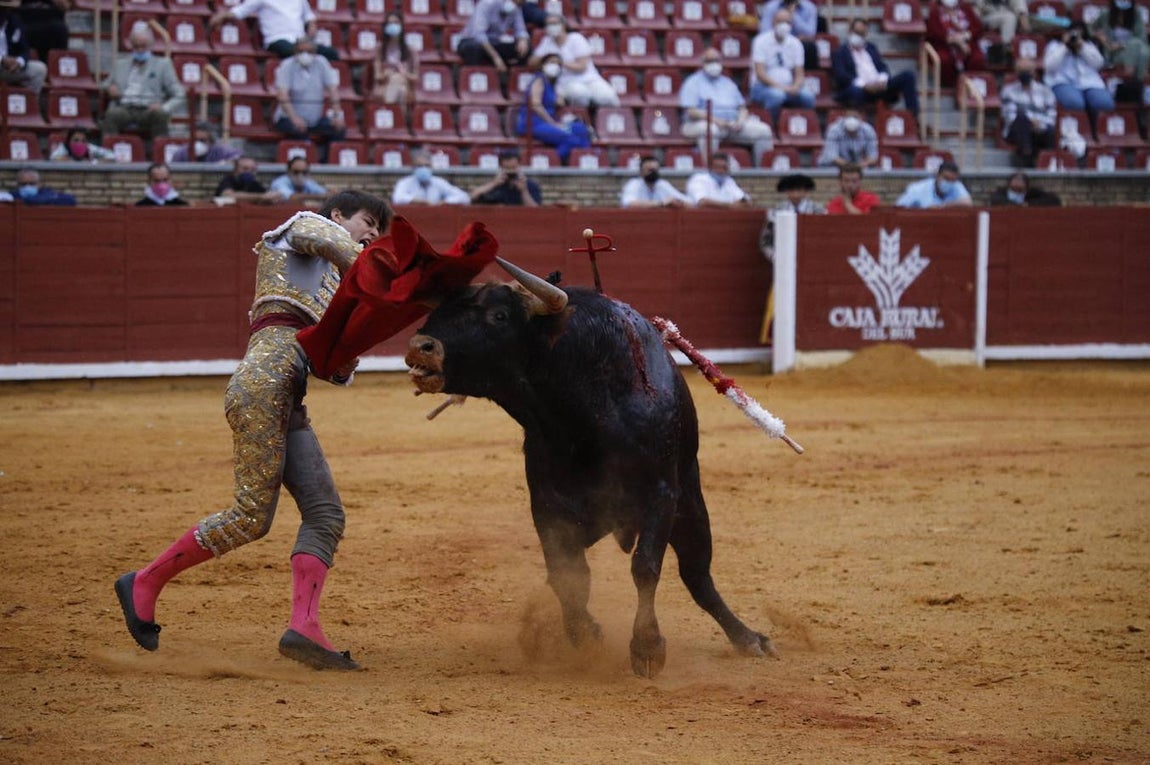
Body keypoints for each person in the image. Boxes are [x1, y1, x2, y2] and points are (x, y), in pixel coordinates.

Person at [114, 190, 390, 671]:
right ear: (339, 215)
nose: (372, 235)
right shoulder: (301, 229)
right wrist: (382, 276)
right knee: (250, 517)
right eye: (368, 223)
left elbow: (336, 370)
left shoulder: (335, 285)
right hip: (261, 387)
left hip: (289, 398)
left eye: (379, 233)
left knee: (325, 515)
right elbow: (328, 241)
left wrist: (354, 336)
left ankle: (303, 628)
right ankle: (144, 581)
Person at [679, 48, 774, 165]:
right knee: (710, 131)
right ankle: (711, 170)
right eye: (710, 61)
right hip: (701, 123)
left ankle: (762, 174)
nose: (714, 64)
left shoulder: (728, 83)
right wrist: (717, 121)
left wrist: (740, 121)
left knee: (764, 131)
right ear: (703, 63)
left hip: (732, 124)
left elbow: (742, 108)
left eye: (716, 61)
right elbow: (691, 111)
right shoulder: (692, 82)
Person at [100, 24, 186, 141]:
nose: (140, 50)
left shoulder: (162, 65)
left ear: (151, 45)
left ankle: (161, 152)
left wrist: (164, 107)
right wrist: (109, 88)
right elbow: (104, 84)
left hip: (149, 109)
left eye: (143, 46)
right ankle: (109, 152)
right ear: (131, 46)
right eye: (136, 46)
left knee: (160, 115)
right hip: (125, 108)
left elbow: (180, 94)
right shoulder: (120, 64)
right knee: (111, 115)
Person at [272, 38, 346, 163]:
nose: (305, 54)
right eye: (301, 51)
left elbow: (333, 90)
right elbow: (282, 95)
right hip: (288, 118)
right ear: (295, 51)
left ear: (315, 52)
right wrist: (294, 118)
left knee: (339, 129)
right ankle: (305, 163)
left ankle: (327, 164)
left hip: (314, 120)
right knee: (297, 130)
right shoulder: (287, 65)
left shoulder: (322, 63)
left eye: (309, 51)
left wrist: (337, 115)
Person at [514, 52, 592, 164]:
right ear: (543, 65)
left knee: (581, 130)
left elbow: (558, 102)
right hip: (533, 124)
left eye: (558, 64)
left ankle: (581, 161)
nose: (555, 66)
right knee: (569, 139)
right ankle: (554, 162)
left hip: (548, 123)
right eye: (551, 62)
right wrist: (552, 123)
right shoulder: (539, 80)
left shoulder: (553, 84)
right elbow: (535, 104)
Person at [527, 13, 619, 108]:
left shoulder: (576, 38)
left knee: (607, 96)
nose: (551, 27)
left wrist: (560, 62)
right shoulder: (547, 41)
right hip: (565, 82)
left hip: (590, 79)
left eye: (554, 23)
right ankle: (581, 119)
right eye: (548, 24)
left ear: (564, 25)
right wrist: (544, 59)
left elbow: (581, 67)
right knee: (579, 94)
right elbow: (532, 63)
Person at [832, 19, 919, 118]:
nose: (859, 36)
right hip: (859, 89)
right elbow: (841, 76)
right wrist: (864, 85)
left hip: (878, 86)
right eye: (856, 33)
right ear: (850, 31)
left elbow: (882, 67)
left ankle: (913, 120)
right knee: (855, 91)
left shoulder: (871, 48)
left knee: (908, 76)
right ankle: (861, 123)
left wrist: (882, 80)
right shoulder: (840, 52)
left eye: (862, 34)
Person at [210, 0, 338, 61]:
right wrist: (222, 15)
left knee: (332, 54)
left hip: (299, 40)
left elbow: (309, 17)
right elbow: (241, 11)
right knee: (293, 53)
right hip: (277, 39)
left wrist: (311, 28)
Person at [748, 8, 815, 124]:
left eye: (787, 22)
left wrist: (795, 86)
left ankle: (796, 128)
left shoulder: (796, 43)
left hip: (789, 86)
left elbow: (799, 74)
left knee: (808, 97)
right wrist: (781, 87)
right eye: (780, 22)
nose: (784, 25)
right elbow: (760, 74)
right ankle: (771, 126)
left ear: (791, 25)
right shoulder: (760, 41)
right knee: (777, 96)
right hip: (762, 87)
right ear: (773, 22)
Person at [1043, 22, 1115, 124]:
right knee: (1075, 103)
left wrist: (1082, 47)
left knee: (1105, 103)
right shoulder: (1055, 46)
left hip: (1090, 83)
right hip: (1063, 82)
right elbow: (1049, 66)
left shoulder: (1089, 45)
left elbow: (1098, 64)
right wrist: (1064, 46)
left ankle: (1095, 131)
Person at [1000, 57, 1057, 168]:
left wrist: (1039, 124)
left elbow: (1052, 116)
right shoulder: (1008, 91)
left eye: (1027, 71)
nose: (1024, 74)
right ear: (1016, 72)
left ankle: (1048, 163)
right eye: (1021, 71)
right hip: (1017, 130)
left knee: (1051, 131)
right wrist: (1030, 121)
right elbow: (1009, 116)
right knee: (1021, 119)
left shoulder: (1045, 91)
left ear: (1033, 72)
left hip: (1041, 129)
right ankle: (1027, 158)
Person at [759, 173, 825, 259]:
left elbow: (824, 238)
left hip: (812, 258)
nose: (795, 194)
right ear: (786, 192)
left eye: (798, 190)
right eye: (791, 190)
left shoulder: (818, 211)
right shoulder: (776, 212)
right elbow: (766, 241)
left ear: (805, 192)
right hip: (784, 258)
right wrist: (775, 257)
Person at [926, 0, 988, 87]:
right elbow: (934, 34)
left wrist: (965, 37)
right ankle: (952, 86)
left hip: (968, 43)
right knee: (944, 59)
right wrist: (956, 41)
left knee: (977, 59)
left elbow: (977, 28)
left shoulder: (966, 9)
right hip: (945, 45)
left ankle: (971, 86)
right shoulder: (935, 13)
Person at [456, 0, 530, 71]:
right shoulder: (487, 3)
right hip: (472, 41)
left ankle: (509, 77)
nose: (515, 5)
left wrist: (523, 40)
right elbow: (479, 35)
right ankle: (474, 76)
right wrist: (496, 57)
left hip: (495, 42)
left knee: (526, 50)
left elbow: (521, 30)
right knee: (474, 49)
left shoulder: (516, 8)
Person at [1090, 0, 1149, 86]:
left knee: (1136, 45)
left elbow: (1141, 37)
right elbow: (1090, 29)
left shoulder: (1136, 14)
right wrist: (1099, 36)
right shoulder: (1105, 13)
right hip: (1113, 52)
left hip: (1130, 49)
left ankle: (1131, 76)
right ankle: (1137, 81)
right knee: (1137, 48)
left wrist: (1122, 45)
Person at [372, 12, 417, 114]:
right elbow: (377, 76)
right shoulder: (380, 49)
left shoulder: (410, 50)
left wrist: (404, 73)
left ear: (401, 25)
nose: (393, 26)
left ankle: (389, 111)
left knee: (400, 85)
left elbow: (415, 77)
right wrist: (386, 74)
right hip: (384, 85)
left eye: (396, 23)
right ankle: (399, 121)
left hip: (405, 83)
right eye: (390, 23)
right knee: (400, 89)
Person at [759, 0, 824, 71]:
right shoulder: (771, 6)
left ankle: (807, 77)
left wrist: (793, 15)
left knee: (810, 47)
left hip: (800, 44)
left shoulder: (810, 7)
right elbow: (764, 32)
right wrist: (785, 38)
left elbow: (810, 33)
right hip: (776, 42)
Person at [0, 0, 48, 94]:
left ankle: (28, 104)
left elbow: (25, 49)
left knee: (40, 69)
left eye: (6, 8)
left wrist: (19, 62)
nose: (4, 11)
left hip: (9, 68)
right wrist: (2, 59)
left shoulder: (15, 22)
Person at [391, 150, 470, 205]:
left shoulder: (439, 182)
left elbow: (464, 197)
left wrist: (445, 202)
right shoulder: (405, 182)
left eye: (427, 165)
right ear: (413, 167)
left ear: (431, 167)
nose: (423, 168)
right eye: (419, 166)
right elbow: (397, 198)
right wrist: (420, 202)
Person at [470, 149, 542, 205]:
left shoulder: (530, 185)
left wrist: (524, 191)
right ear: (501, 167)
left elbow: (535, 210)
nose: (510, 172)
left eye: (513, 168)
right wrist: (494, 184)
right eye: (507, 169)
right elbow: (472, 197)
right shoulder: (496, 183)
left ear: (519, 165)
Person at [619, 155, 692, 208]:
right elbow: (629, 204)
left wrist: (678, 203)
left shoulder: (662, 184)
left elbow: (689, 203)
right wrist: (661, 204)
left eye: (655, 170)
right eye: (650, 170)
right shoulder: (634, 184)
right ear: (641, 172)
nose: (653, 173)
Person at [685, 151, 752, 208]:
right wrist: (730, 205)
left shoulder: (729, 181)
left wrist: (742, 202)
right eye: (717, 167)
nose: (721, 171)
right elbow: (702, 202)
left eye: (724, 168)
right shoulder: (698, 179)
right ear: (710, 167)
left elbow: (747, 201)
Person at [895, 160, 973, 208]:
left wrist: (942, 207)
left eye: (952, 180)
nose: (949, 183)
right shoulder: (917, 189)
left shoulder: (956, 185)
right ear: (937, 175)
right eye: (946, 178)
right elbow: (899, 207)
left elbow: (968, 203)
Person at [170, 121, 243, 164]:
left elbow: (238, 156)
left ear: (211, 140)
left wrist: (226, 162)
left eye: (202, 140)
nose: (198, 144)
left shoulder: (218, 150)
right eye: (196, 140)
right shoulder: (182, 152)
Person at [215, 156, 279, 204]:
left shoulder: (253, 183)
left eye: (252, 170)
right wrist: (260, 197)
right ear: (235, 169)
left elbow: (267, 195)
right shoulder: (229, 180)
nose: (248, 172)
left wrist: (273, 196)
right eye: (245, 169)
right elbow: (228, 195)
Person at [988, 171, 1062, 206]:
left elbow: (1054, 200)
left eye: (1021, 180)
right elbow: (995, 199)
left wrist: (1029, 204)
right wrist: (1016, 206)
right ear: (1009, 183)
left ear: (1026, 184)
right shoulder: (1002, 192)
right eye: (1015, 179)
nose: (1017, 182)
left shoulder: (1032, 193)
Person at [9, 167, 76, 206]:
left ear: (38, 184)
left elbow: (71, 200)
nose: (27, 186)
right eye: (23, 184)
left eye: (32, 184)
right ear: (18, 185)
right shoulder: (12, 195)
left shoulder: (47, 193)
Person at [49, 127, 118, 163]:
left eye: (83, 141)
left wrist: (94, 161)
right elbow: (53, 158)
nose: (80, 143)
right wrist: (71, 161)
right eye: (76, 140)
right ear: (69, 141)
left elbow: (112, 156)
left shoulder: (89, 148)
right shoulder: (64, 148)